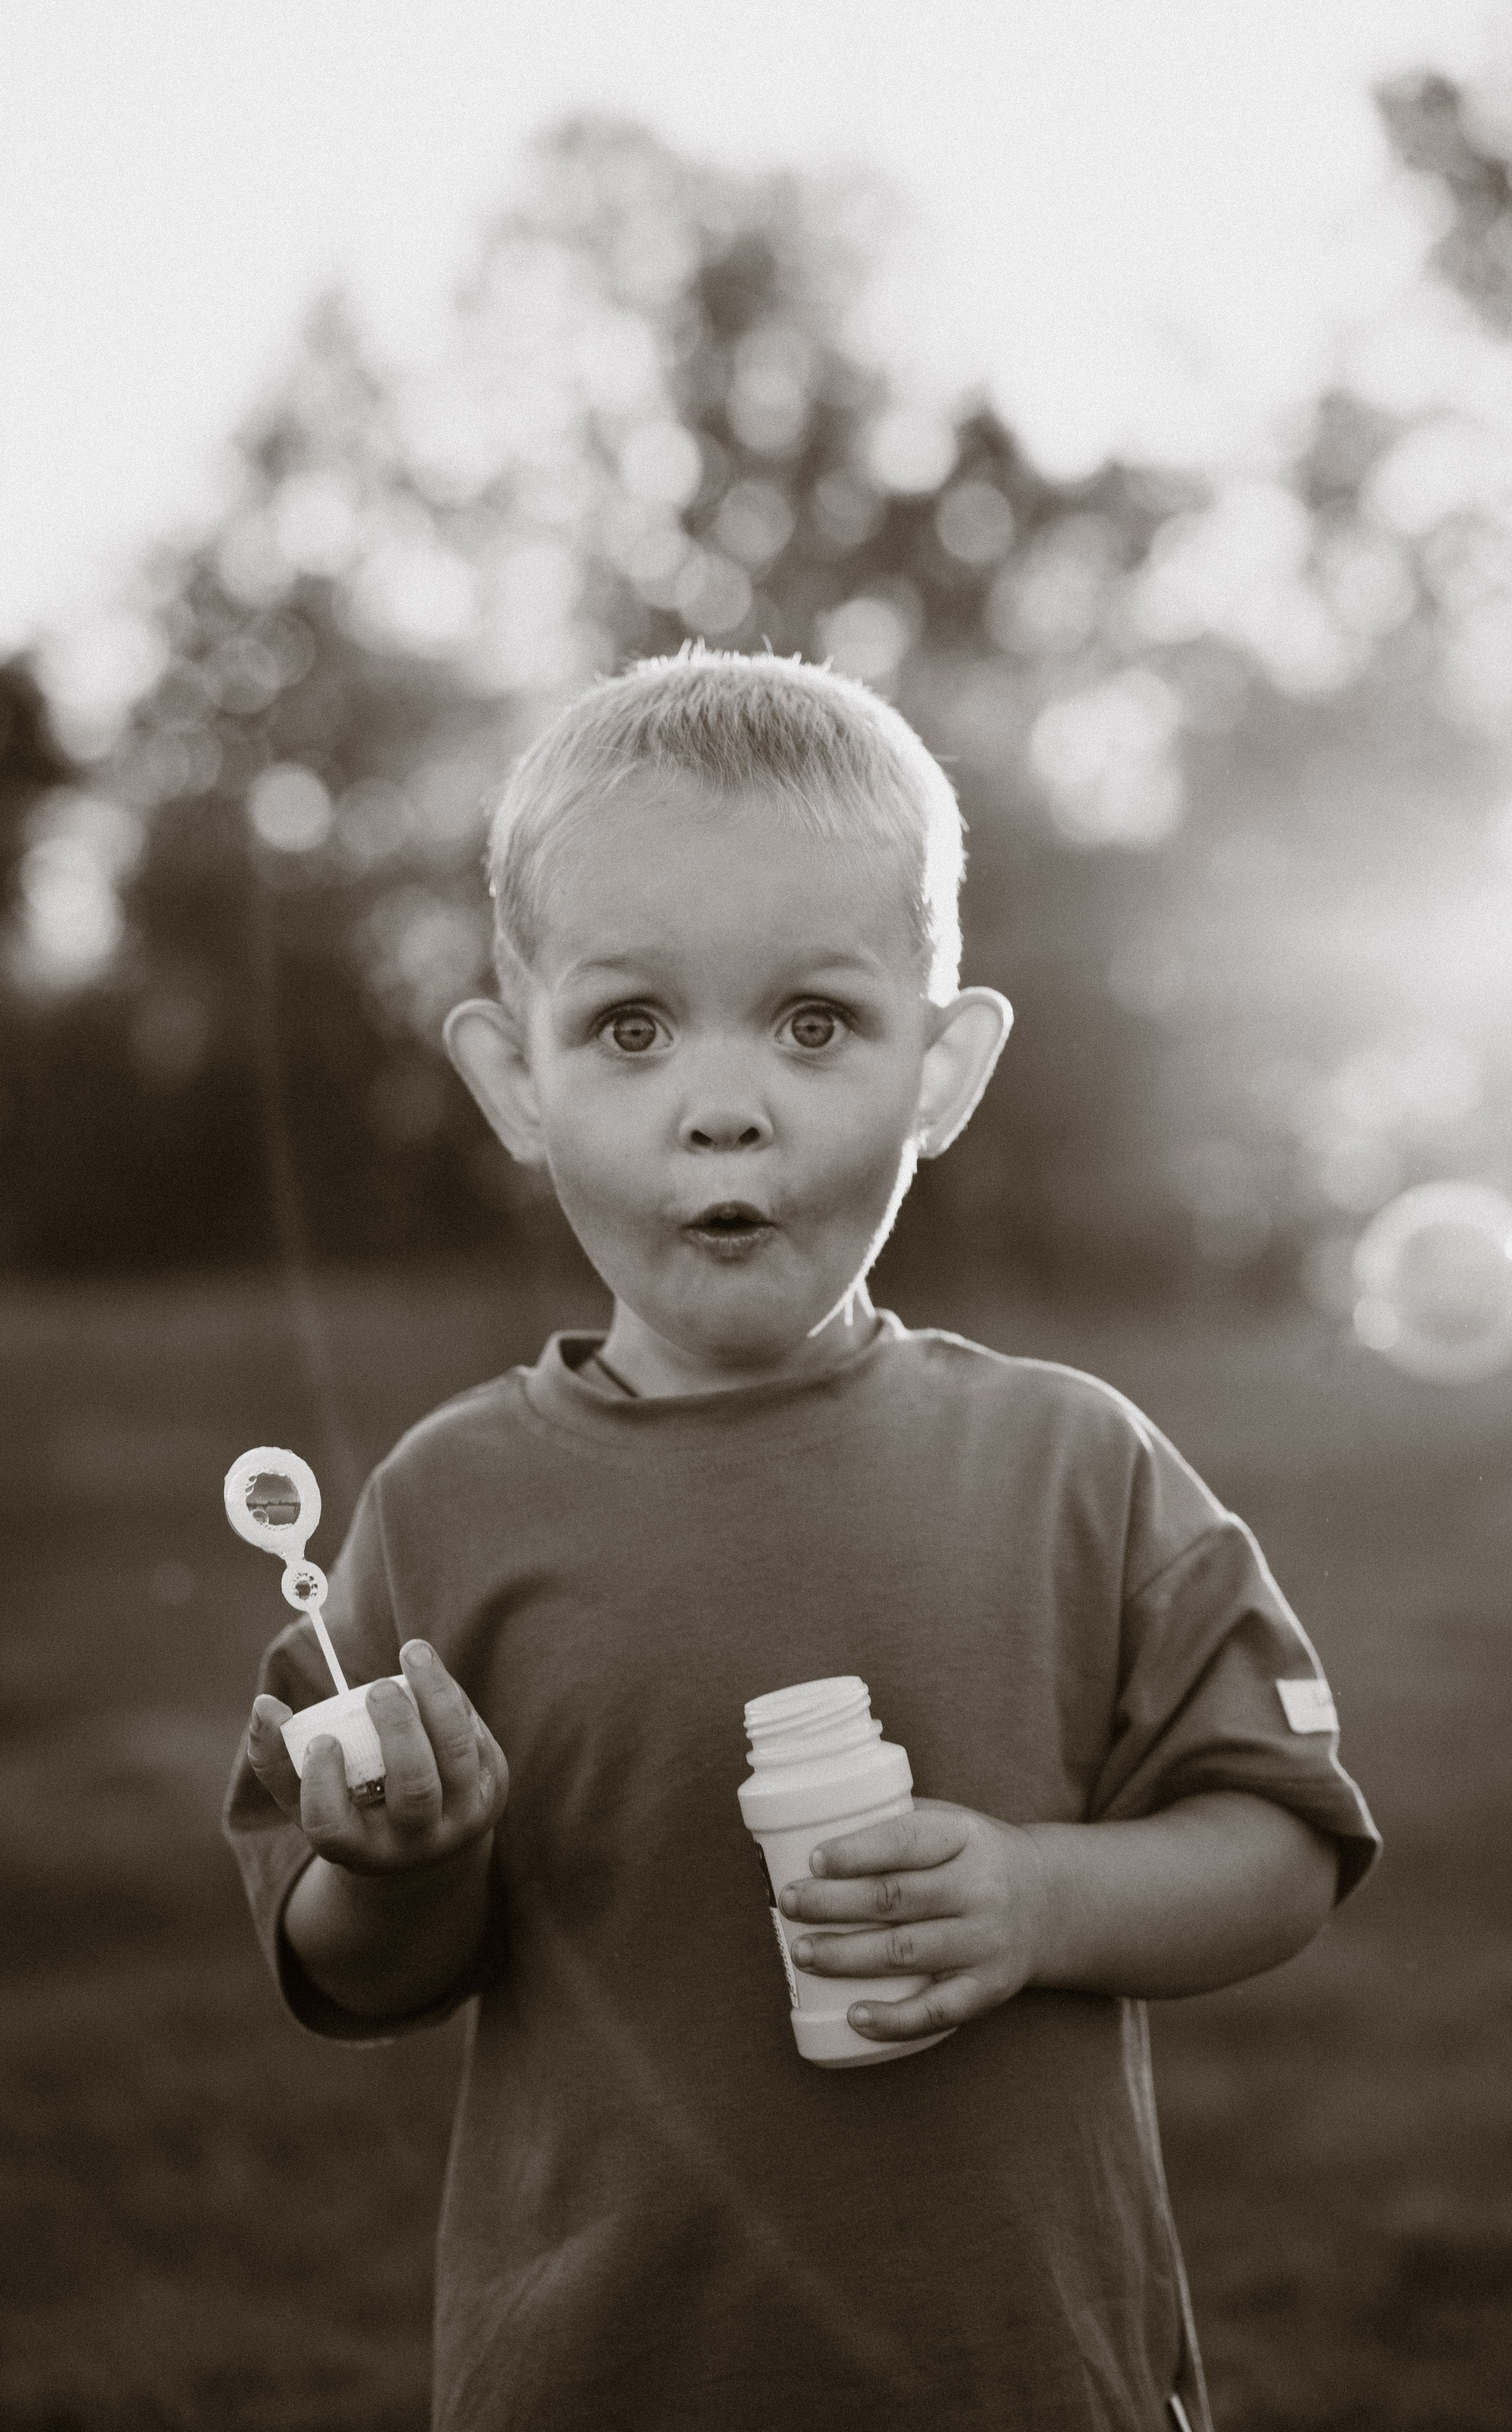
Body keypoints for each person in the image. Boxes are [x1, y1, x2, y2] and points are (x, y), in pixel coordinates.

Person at [224, 647, 1379, 2432]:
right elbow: (357, 1975)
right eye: (630, 1027)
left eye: (817, 1022)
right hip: (604, 2383)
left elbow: (1284, 1850)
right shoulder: (445, 1508)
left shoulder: (1076, 1467)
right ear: (513, 1082)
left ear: (944, 1067)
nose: (725, 1101)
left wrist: (1034, 1895)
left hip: (1016, 2383)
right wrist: (398, 1860)